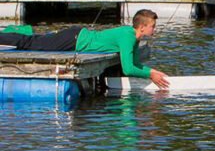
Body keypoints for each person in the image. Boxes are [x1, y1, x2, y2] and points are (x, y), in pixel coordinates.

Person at [0, 9, 170, 90]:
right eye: (152, 27)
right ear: (141, 27)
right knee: (30, 43)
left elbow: (134, 63)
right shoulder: (128, 37)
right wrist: (150, 74)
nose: (154, 30)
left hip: (77, 37)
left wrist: (152, 71)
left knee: (34, 41)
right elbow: (127, 68)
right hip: (74, 41)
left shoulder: (132, 35)